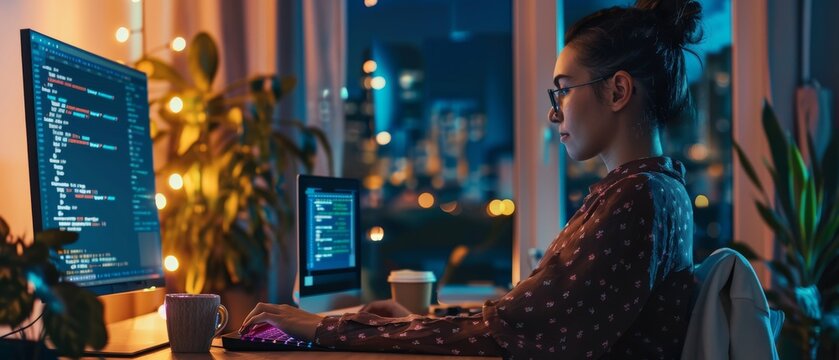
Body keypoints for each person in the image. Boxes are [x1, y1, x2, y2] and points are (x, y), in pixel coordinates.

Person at [239, 0, 702, 358]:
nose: (553, 111)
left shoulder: (637, 197)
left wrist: (326, 327)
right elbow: (522, 322)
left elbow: (514, 337)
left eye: (563, 89)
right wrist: (413, 321)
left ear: (618, 90)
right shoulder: (654, 190)